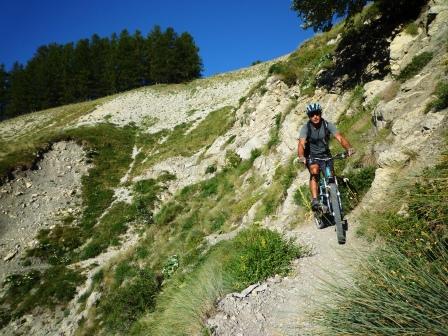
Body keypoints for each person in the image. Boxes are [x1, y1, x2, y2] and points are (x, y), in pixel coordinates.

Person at [297, 103, 355, 211]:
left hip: (325, 155)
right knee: (314, 172)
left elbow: (339, 138)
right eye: (312, 115)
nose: (315, 117)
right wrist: (301, 156)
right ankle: (315, 200)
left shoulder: (327, 125)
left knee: (331, 176)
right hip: (312, 156)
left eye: (317, 114)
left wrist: (348, 148)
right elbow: (301, 144)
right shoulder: (306, 128)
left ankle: (333, 199)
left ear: (320, 113)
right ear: (309, 116)